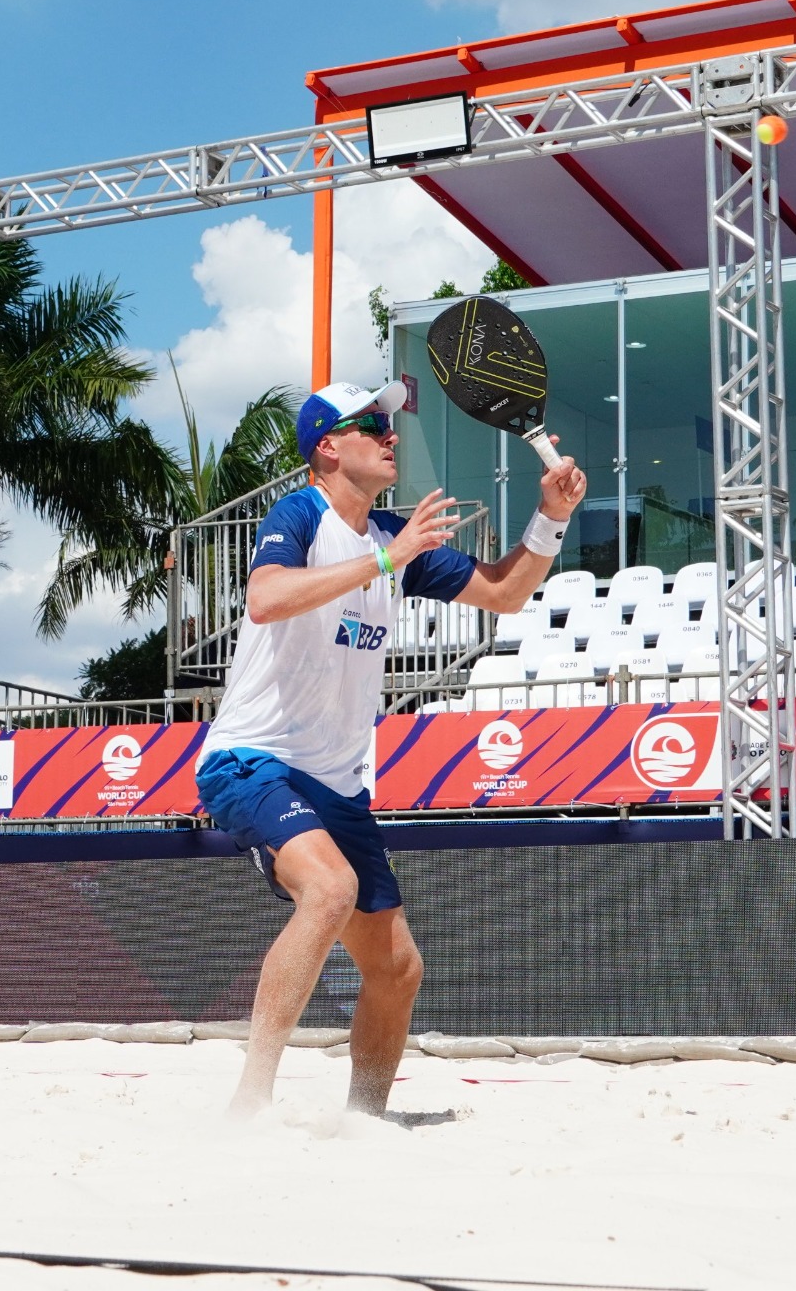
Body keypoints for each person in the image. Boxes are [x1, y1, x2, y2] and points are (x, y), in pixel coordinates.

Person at [196, 381, 587, 1120]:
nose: (390, 433)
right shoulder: (304, 513)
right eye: (371, 423)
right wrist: (386, 561)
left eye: (390, 422)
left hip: (336, 783)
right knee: (331, 890)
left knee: (399, 968)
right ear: (326, 447)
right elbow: (265, 598)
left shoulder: (390, 539)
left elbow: (504, 594)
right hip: (252, 758)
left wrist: (551, 518)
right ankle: (250, 1101)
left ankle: (365, 1120)